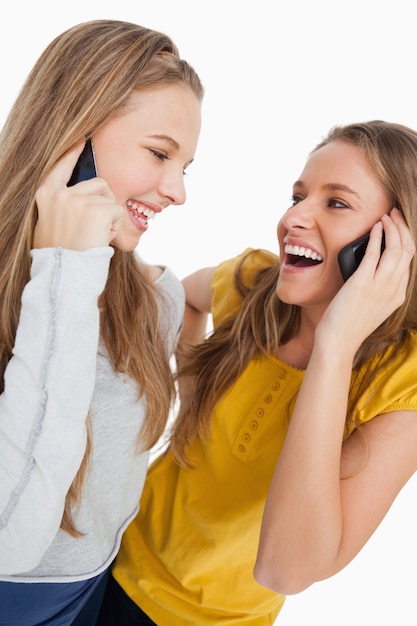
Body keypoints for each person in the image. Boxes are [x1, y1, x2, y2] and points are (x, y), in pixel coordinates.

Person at [99, 120, 417, 625]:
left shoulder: (403, 384)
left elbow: (284, 571)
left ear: (397, 244)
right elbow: (181, 298)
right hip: (109, 559)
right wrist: (189, 396)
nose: (294, 217)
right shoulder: (251, 283)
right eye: (297, 195)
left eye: (336, 203)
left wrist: (335, 347)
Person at [0, 19, 203, 626]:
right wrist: (63, 271)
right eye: (160, 153)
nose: (177, 191)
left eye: (186, 166)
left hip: (96, 584)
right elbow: (11, 533)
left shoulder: (155, 297)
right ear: (74, 140)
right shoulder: (59, 283)